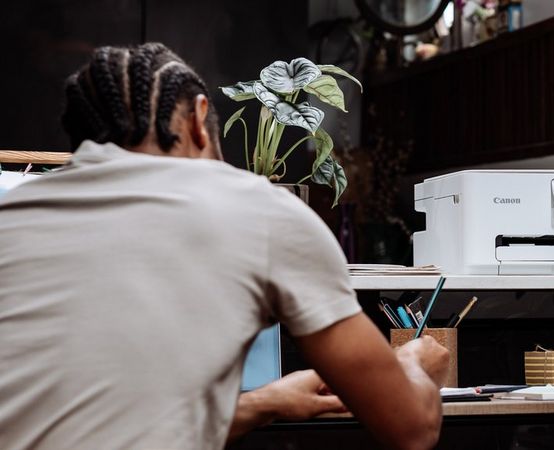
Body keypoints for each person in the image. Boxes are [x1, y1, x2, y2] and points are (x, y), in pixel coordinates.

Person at [0, 43, 449, 450]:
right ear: (199, 120)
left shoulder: (12, 212)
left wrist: (263, 403)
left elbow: (99, 420)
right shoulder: (258, 208)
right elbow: (410, 429)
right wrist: (414, 362)